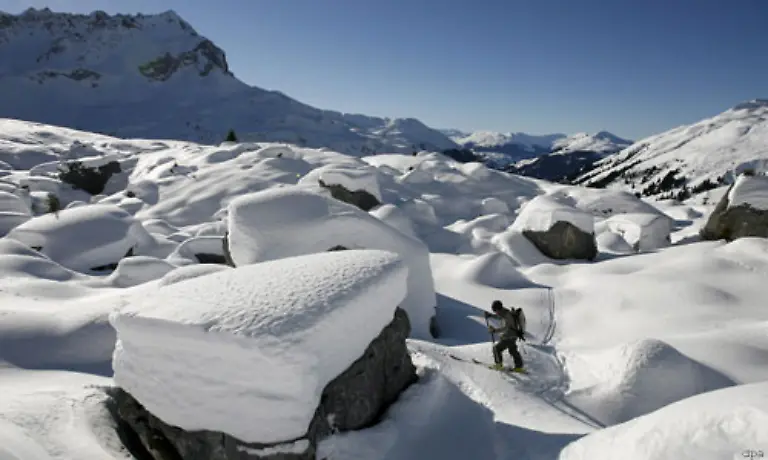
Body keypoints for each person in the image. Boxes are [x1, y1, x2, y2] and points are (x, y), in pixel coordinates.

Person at [484, 300, 524, 371]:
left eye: (495, 310)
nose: (495, 312)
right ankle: (519, 367)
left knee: (496, 348)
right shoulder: (504, 312)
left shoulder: (507, 315)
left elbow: (506, 328)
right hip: (512, 336)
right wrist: (490, 315)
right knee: (513, 350)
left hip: (509, 336)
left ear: (498, 308)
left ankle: (498, 364)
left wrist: (494, 330)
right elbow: (499, 316)